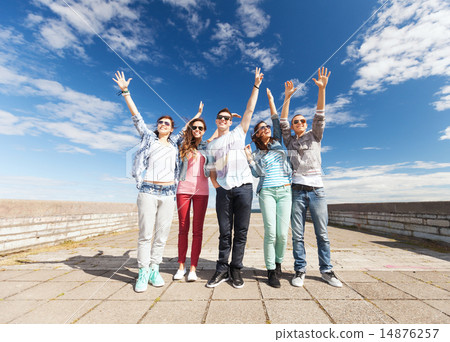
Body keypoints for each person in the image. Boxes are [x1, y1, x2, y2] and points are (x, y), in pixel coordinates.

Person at [113, 70, 187, 293]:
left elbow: (189, 130)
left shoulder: (175, 144)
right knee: (145, 234)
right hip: (147, 190)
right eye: (160, 122)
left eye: (167, 123)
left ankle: (155, 268)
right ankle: (143, 271)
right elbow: (137, 117)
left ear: (172, 128)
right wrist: (126, 92)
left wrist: (199, 114)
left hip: (168, 193)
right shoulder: (148, 138)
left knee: (161, 235)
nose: (163, 124)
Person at [280, 67, 342, 287]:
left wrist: (322, 90)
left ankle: (327, 271)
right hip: (296, 190)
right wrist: (287, 98)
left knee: (322, 234)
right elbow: (283, 121)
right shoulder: (289, 142)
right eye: (296, 122)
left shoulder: (315, 135)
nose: (298, 124)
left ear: (306, 124)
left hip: (317, 191)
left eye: (302, 121)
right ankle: (300, 270)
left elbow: (320, 115)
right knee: (298, 235)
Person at [206, 67, 264, 288]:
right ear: (217, 120)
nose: (223, 119)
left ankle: (236, 270)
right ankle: (221, 270)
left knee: (241, 231)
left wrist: (256, 85)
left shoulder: (239, 132)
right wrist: (216, 185)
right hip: (224, 191)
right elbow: (212, 168)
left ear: (231, 121)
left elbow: (250, 109)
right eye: (220, 117)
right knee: (223, 232)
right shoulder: (212, 144)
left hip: (244, 189)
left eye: (226, 118)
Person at [244, 88, 292, 288]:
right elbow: (256, 175)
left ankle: (279, 263)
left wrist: (273, 99)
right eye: (261, 128)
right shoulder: (256, 153)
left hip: (285, 190)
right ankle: (271, 270)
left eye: (267, 127)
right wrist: (249, 159)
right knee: (271, 231)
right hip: (267, 193)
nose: (266, 128)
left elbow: (276, 119)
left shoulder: (278, 142)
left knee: (282, 233)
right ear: (256, 135)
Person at [173, 105, 210, 282]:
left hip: (202, 192)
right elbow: (182, 131)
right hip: (183, 190)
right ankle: (181, 266)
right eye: (194, 127)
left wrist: (228, 119)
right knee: (182, 228)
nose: (196, 129)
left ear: (204, 131)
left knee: (197, 230)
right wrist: (197, 115)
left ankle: (193, 268)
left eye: (200, 128)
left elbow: (222, 132)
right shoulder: (183, 145)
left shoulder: (207, 145)